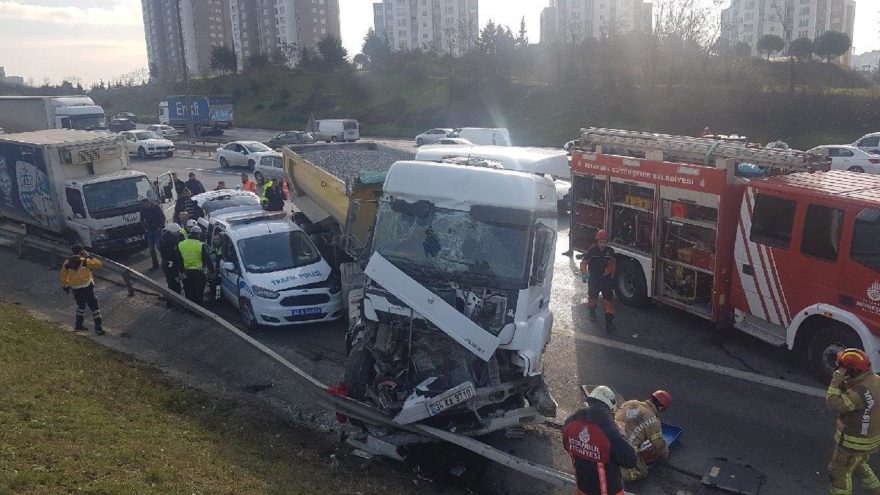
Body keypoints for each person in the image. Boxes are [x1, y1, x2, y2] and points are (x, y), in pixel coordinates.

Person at [563, 385, 638, 495]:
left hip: (582, 488)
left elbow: (567, 445)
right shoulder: (609, 432)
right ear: (609, 408)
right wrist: (621, 434)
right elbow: (630, 460)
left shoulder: (570, 423)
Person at [826, 348, 880, 495]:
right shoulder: (875, 380)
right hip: (869, 440)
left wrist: (836, 382)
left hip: (853, 443)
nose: (838, 369)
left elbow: (834, 404)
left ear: (851, 371)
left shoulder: (859, 393)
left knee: (838, 473)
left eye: (841, 367)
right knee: (859, 464)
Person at [615, 390, 673, 482]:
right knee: (642, 471)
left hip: (609, 437)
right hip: (625, 447)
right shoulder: (654, 421)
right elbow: (659, 445)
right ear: (661, 407)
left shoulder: (631, 402)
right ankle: (617, 473)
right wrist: (665, 454)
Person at [576, 229, 617, 332]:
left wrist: (611, 274)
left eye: (604, 242)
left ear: (606, 242)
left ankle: (609, 324)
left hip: (606, 279)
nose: (602, 244)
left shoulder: (610, 251)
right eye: (600, 242)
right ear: (597, 241)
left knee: (608, 301)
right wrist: (584, 273)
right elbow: (584, 262)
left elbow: (612, 264)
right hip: (594, 277)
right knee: (593, 297)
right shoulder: (592, 251)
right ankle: (592, 312)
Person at [59, 245, 105, 335]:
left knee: (81, 306)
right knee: (94, 307)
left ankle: (78, 325)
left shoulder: (67, 262)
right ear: (81, 251)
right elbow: (99, 264)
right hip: (86, 286)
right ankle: (98, 328)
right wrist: (89, 256)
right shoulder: (85, 261)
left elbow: (63, 276)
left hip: (75, 287)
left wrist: (66, 285)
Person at [176, 225, 213, 305]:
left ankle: (190, 309)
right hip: (199, 273)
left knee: (189, 292)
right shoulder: (200, 245)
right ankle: (200, 312)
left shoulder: (181, 244)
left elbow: (179, 259)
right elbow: (208, 260)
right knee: (199, 293)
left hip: (186, 273)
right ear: (199, 234)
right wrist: (212, 272)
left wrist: (182, 271)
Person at [158, 222, 184, 302]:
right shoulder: (172, 241)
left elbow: (160, 249)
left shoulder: (164, 237)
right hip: (172, 265)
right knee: (175, 284)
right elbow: (177, 256)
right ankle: (177, 301)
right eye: (177, 232)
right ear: (173, 232)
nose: (178, 233)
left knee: (170, 283)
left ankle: (171, 301)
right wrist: (182, 269)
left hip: (166, 264)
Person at [139, 198, 165, 270]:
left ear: (148, 203)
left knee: (159, 246)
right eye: (143, 205)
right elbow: (141, 220)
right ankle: (155, 264)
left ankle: (164, 261)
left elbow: (162, 217)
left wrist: (160, 226)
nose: (145, 206)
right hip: (149, 231)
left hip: (157, 230)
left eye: (145, 205)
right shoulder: (143, 209)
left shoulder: (156, 207)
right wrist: (145, 228)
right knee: (151, 249)